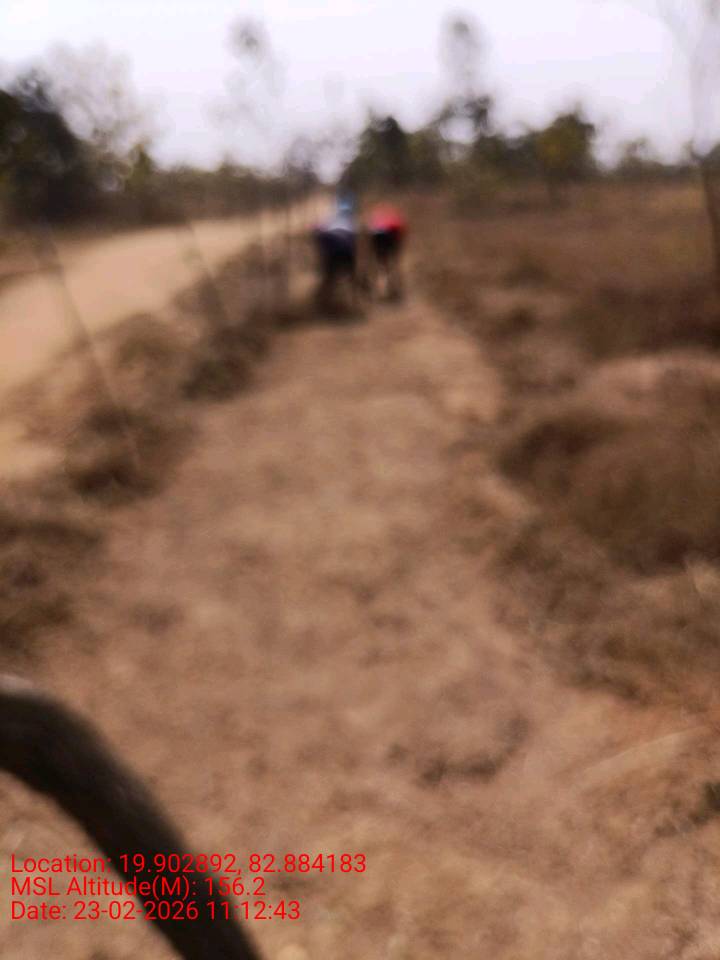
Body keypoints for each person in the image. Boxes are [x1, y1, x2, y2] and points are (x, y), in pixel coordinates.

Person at [312, 194, 359, 309]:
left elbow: (318, 233)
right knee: (350, 278)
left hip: (332, 251)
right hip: (345, 251)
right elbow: (354, 244)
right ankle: (353, 302)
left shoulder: (331, 219)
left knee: (329, 278)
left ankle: (324, 302)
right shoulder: (350, 222)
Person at [367, 203, 408, 300]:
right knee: (392, 265)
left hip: (379, 238)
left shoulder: (377, 219)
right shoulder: (395, 220)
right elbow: (400, 236)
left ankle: (381, 291)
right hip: (390, 238)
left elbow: (370, 234)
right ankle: (393, 289)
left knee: (381, 266)